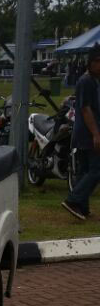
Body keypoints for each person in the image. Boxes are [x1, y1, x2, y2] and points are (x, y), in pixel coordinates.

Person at [62, 44, 100, 221]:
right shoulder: (86, 81)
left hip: (86, 132)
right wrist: (96, 134)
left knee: (85, 170)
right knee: (96, 170)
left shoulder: (93, 81)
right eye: (99, 62)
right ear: (91, 63)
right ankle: (73, 200)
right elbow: (85, 110)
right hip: (87, 133)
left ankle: (82, 208)